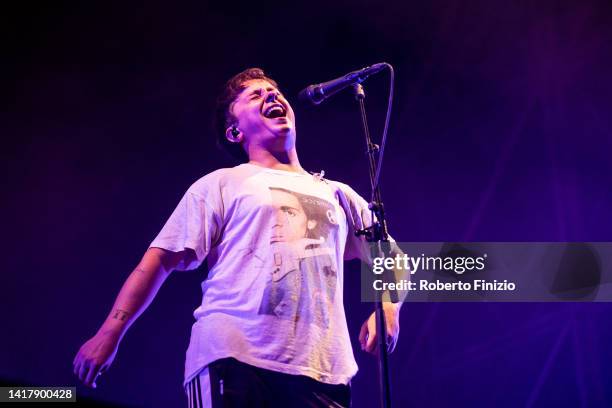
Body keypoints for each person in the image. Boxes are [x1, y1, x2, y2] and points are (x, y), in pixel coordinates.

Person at [73, 68, 402, 407]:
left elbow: (396, 259)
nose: (272, 96)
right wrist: (111, 331)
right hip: (234, 359)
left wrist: (390, 306)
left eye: (274, 92)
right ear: (235, 132)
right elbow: (158, 260)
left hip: (324, 373)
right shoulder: (222, 184)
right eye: (256, 95)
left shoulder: (338, 194)